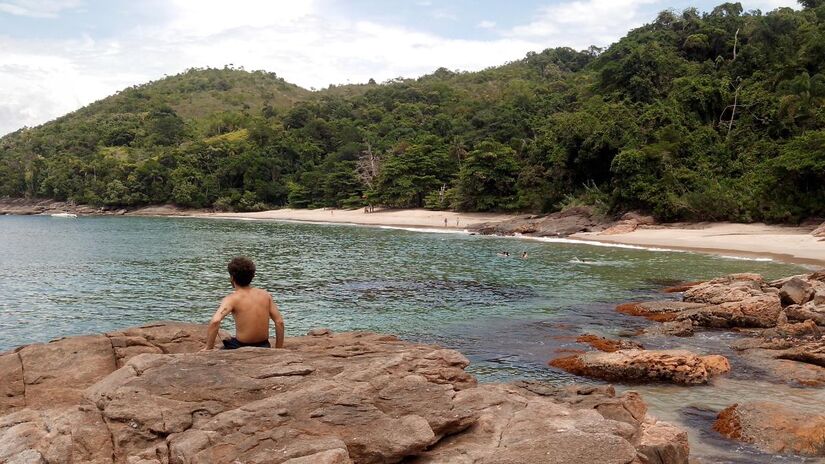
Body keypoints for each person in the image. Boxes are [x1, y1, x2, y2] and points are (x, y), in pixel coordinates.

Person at [202, 257, 285, 350]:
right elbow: (279, 322)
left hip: (241, 346)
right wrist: (278, 349)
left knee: (225, 344)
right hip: (264, 345)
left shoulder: (232, 299)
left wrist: (208, 348)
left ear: (232, 278)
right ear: (252, 276)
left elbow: (215, 321)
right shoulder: (265, 295)